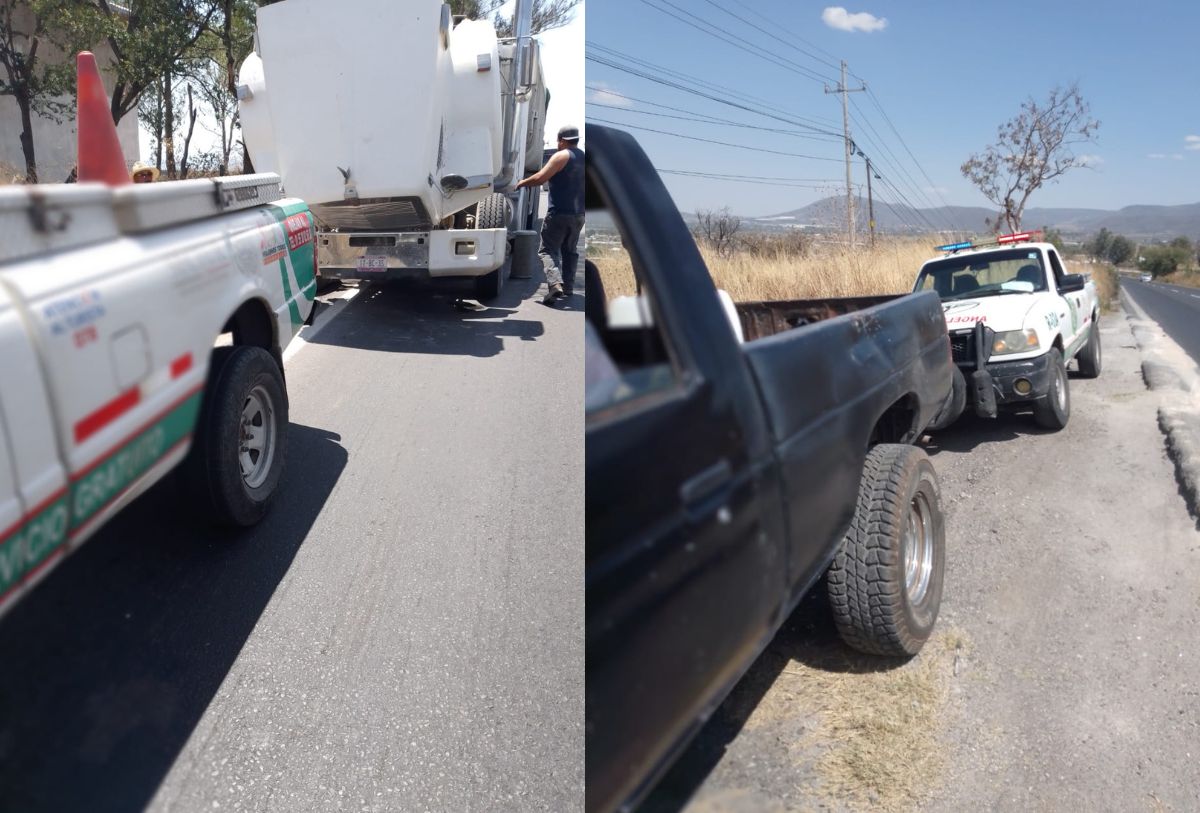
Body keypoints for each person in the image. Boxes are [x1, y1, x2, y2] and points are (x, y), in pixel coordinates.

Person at [516, 125, 585, 305]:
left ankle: (555, 284)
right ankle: (568, 287)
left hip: (559, 213)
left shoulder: (561, 155)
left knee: (547, 250)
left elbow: (540, 178)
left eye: (558, 141)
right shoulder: (584, 157)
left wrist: (520, 183)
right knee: (570, 251)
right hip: (579, 215)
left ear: (562, 140)